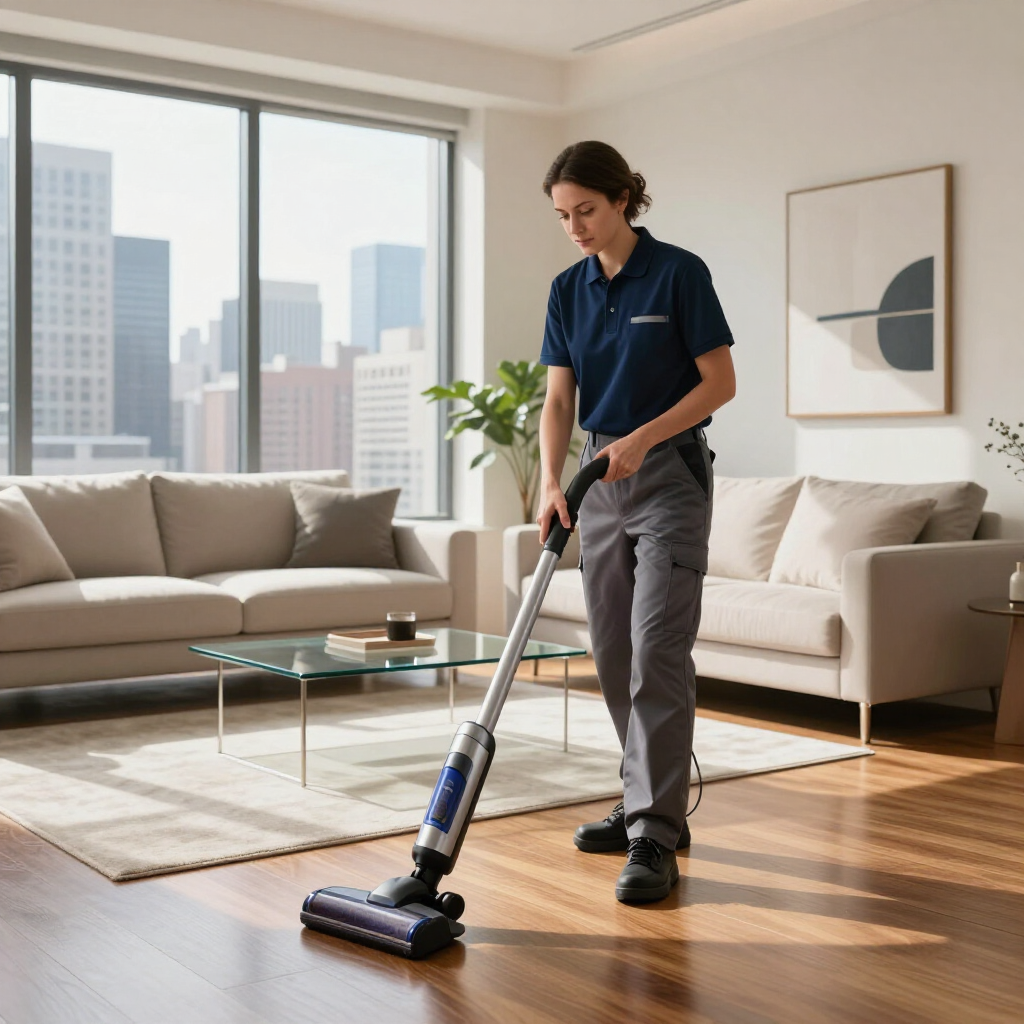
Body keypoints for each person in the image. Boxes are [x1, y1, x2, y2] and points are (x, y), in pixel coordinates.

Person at [537, 141, 736, 903]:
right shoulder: (567, 289)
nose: (576, 226)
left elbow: (720, 382)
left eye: (586, 209)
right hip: (597, 480)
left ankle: (653, 829)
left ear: (624, 199)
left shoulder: (680, 273)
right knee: (614, 652)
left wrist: (645, 438)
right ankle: (648, 801)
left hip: (668, 477)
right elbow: (560, 399)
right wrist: (553, 480)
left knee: (657, 648)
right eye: (562, 215)